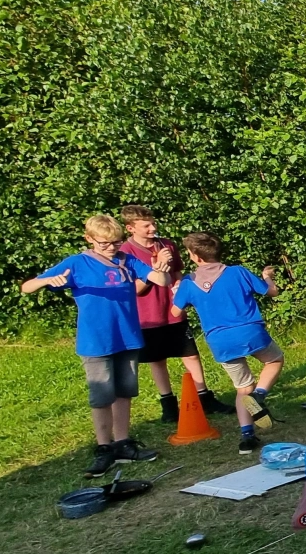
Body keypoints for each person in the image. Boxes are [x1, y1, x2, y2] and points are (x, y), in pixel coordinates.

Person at [21, 214, 170, 476]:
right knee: (102, 397)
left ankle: (123, 443)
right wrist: (47, 281)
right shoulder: (77, 263)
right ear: (89, 239)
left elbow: (161, 282)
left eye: (116, 242)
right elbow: (27, 287)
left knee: (125, 392)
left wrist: (161, 267)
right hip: (96, 342)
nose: (112, 247)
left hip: (128, 337)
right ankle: (104, 449)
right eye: (105, 243)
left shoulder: (126, 260)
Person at [171, 232, 282, 455]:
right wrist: (267, 276)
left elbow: (175, 312)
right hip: (250, 332)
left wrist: (176, 292)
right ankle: (259, 396)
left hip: (220, 341)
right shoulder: (238, 272)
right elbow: (272, 292)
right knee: (275, 360)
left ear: (196, 257)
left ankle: (247, 437)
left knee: (242, 388)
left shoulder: (188, 283)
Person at [119, 204, 225, 423]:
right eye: (146, 225)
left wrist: (179, 287)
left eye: (153, 223)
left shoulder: (166, 244)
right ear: (130, 228)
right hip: (147, 314)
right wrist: (156, 268)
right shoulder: (125, 253)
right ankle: (168, 404)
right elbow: (134, 289)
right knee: (157, 360)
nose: (152, 228)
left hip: (172, 310)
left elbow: (177, 272)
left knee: (191, 354)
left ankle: (204, 397)